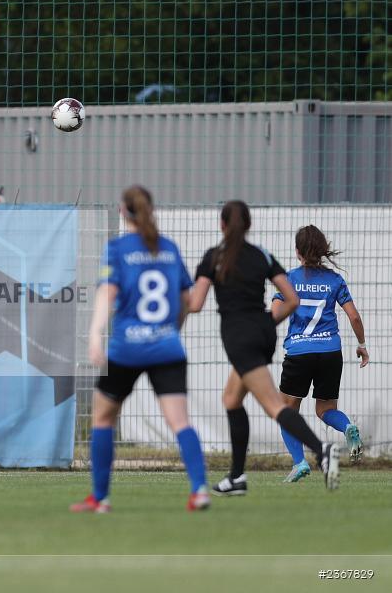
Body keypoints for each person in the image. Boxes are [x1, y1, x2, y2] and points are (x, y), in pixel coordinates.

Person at [70, 186, 210, 514]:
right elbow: (188, 301)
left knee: (103, 417)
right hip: (167, 348)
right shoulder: (170, 248)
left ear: (122, 211)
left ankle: (100, 499)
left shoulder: (118, 248)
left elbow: (106, 294)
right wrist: (170, 329)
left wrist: (94, 335)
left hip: (126, 349)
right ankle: (200, 490)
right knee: (180, 422)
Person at [188, 200, 341, 495]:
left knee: (275, 406)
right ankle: (236, 478)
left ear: (221, 225)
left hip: (239, 338)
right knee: (232, 399)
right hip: (260, 333)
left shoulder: (213, 257)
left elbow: (195, 304)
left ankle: (322, 452)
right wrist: (268, 324)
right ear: (248, 225)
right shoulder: (262, 255)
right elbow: (292, 299)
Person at [273, 225, 367, 483]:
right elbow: (354, 316)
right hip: (330, 352)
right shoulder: (335, 280)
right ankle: (347, 426)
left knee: (285, 410)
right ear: (322, 250)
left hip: (300, 351)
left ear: (297, 252)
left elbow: (275, 313)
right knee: (325, 409)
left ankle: (300, 462)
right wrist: (362, 344)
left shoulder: (289, 278)